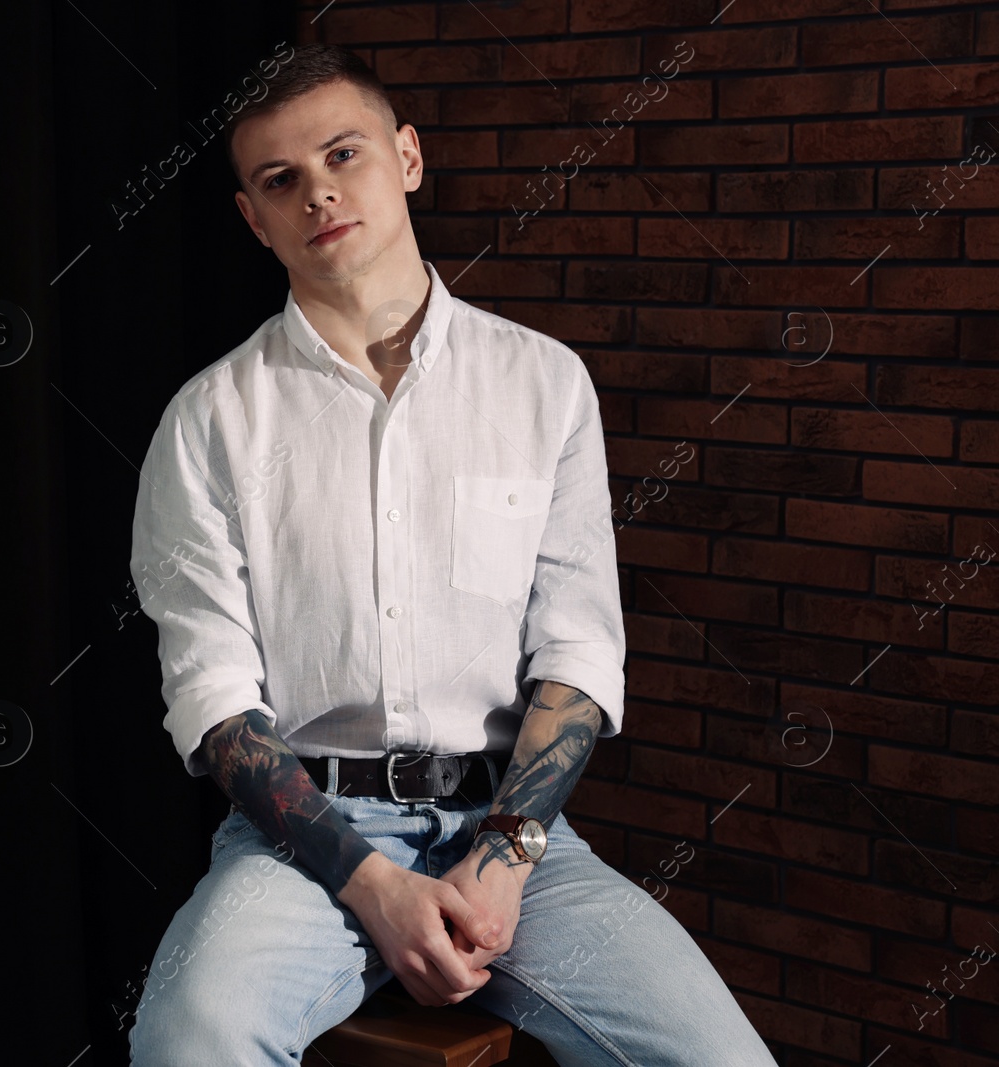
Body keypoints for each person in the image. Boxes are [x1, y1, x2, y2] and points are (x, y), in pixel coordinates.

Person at [125, 43, 777, 1067]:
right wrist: (368, 881)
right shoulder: (209, 421)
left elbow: (575, 656)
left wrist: (507, 856)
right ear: (252, 217)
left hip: (516, 834)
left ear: (409, 156)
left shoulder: (543, 385)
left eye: (344, 153)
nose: (320, 192)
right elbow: (215, 704)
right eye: (280, 179)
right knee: (186, 1040)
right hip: (302, 844)